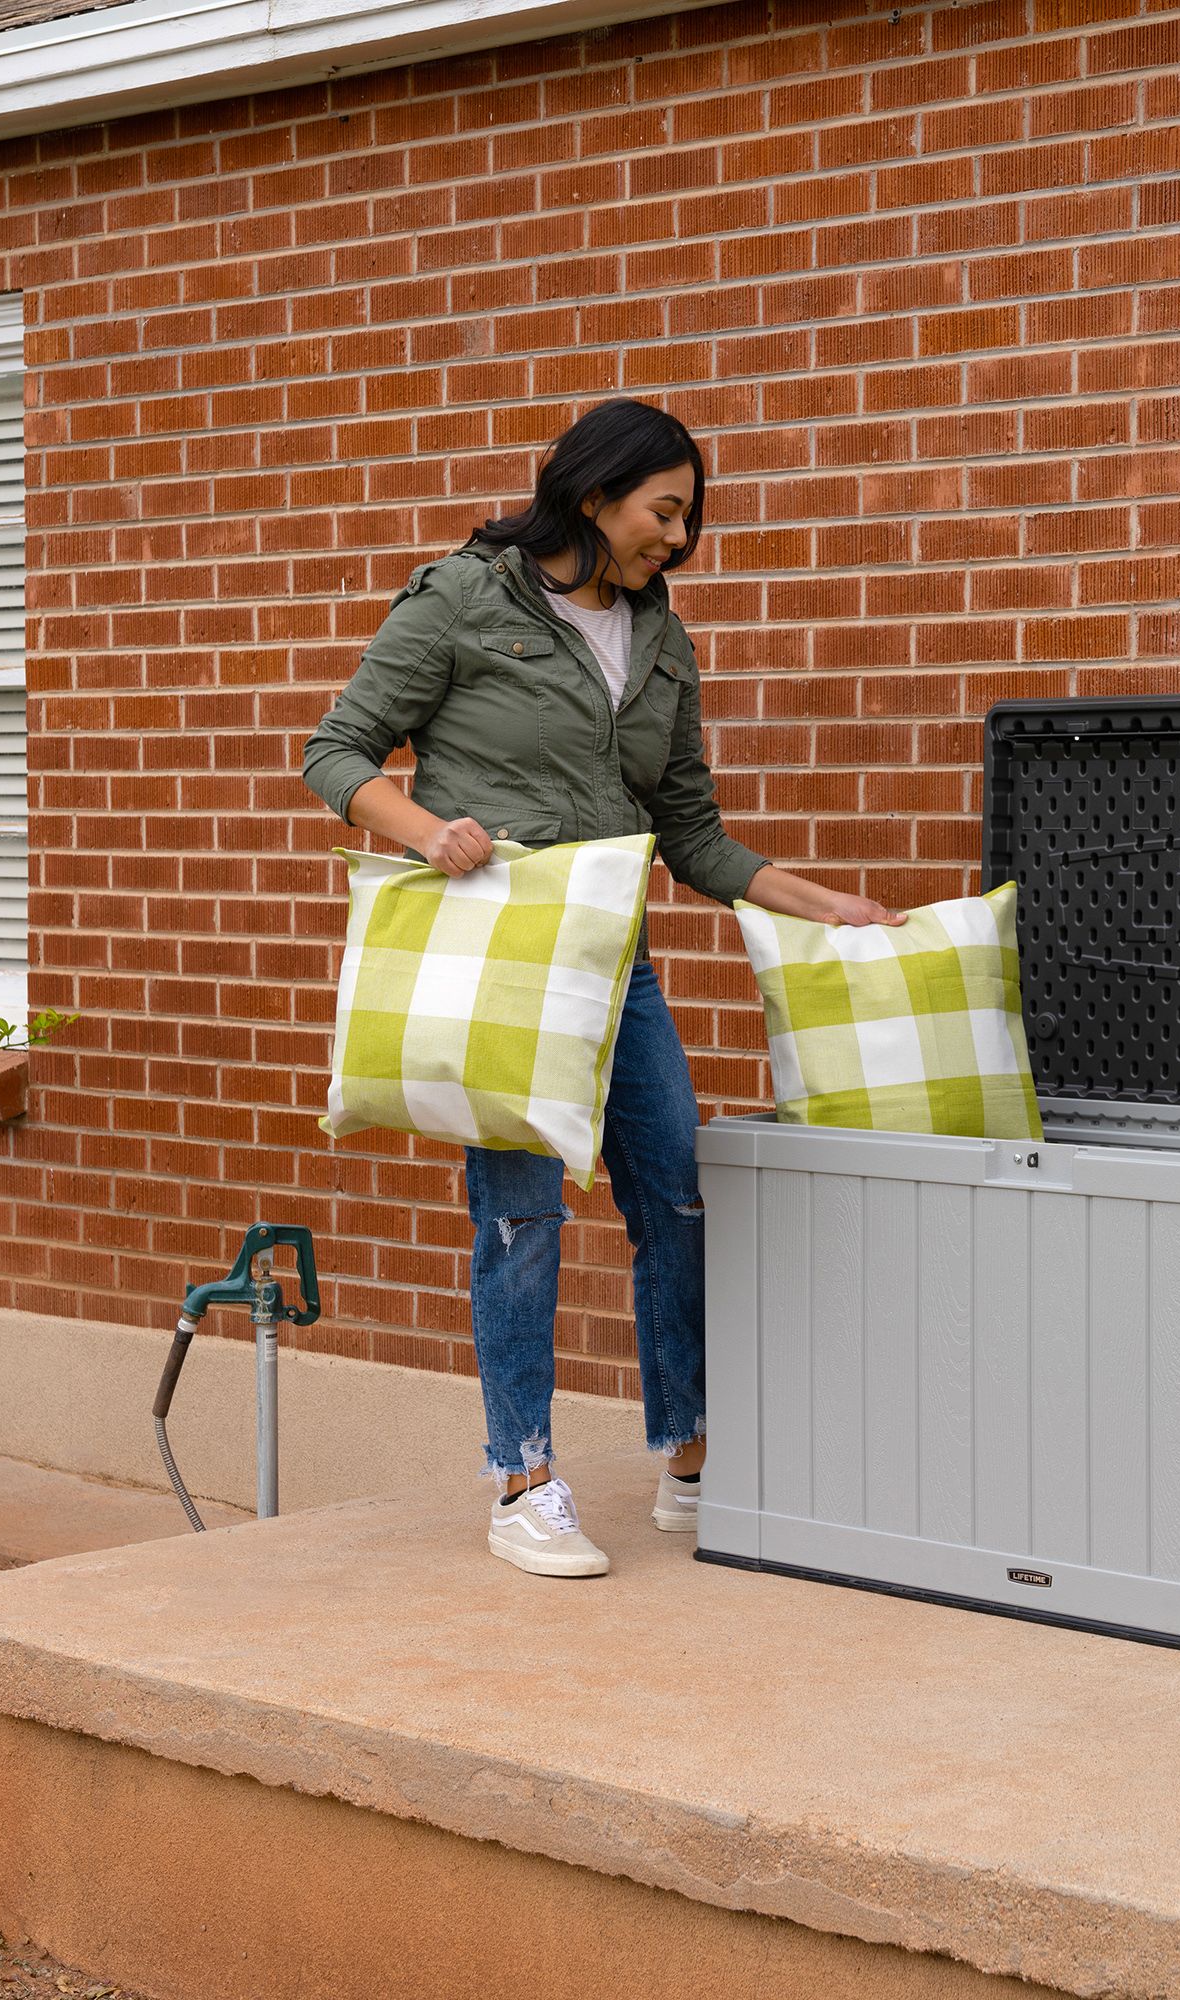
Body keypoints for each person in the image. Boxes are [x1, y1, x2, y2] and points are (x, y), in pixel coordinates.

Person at [301, 397, 903, 1577]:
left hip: (616, 963)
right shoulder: (463, 598)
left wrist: (829, 904)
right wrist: (425, 831)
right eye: (662, 511)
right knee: (520, 1213)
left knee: (676, 1190)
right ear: (593, 493)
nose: (676, 539)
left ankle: (687, 1457)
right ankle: (520, 1477)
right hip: (507, 959)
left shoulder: (662, 638)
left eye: (687, 519)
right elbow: (337, 751)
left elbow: (691, 834)